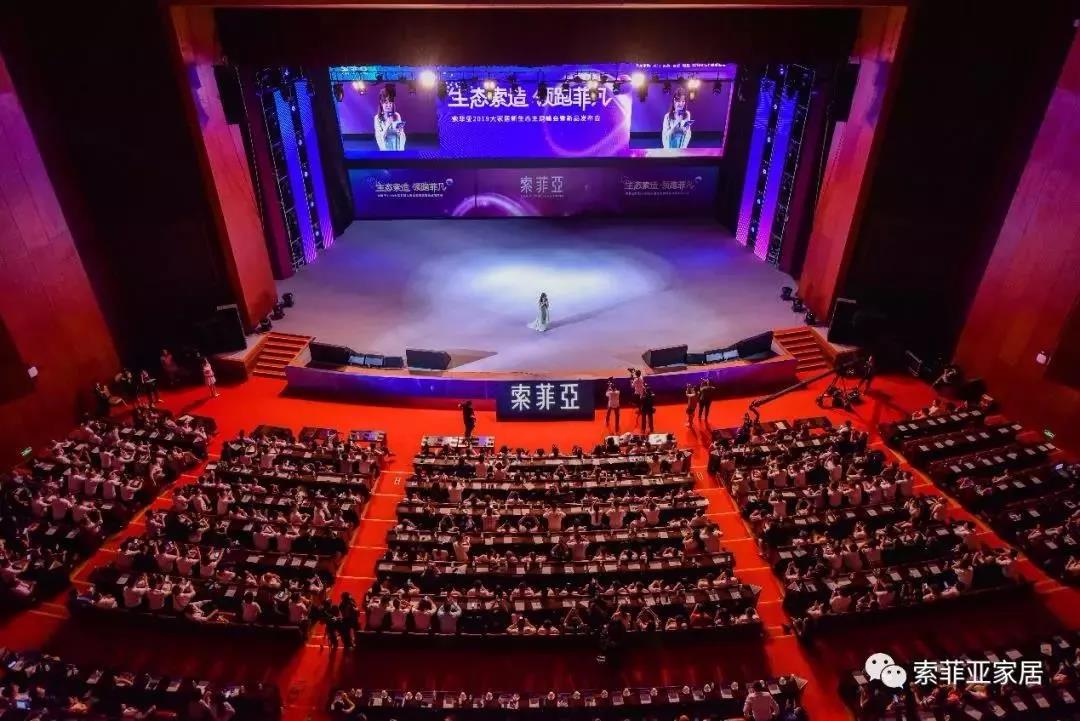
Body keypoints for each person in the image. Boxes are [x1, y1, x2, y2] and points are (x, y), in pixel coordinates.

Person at [374, 87, 406, 151]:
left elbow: (402, 135)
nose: (388, 105)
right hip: (385, 149)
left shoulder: (397, 115)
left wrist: (400, 132)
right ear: (381, 103)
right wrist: (387, 125)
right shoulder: (377, 118)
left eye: (390, 103)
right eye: (386, 103)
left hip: (396, 147)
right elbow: (379, 137)